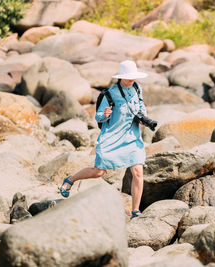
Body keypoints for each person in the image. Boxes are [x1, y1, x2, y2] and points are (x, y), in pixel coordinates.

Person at [59, 60, 148, 219]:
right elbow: (98, 117)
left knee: (138, 172)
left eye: (132, 77)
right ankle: (70, 180)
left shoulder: (137, 88)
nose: (130, 80)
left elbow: (141, 108)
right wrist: (104, 115)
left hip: (132, 137)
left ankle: (135, 211)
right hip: (112, 137)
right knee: (98, 171)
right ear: (120, 77)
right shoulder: (109, 94)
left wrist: (144, 118)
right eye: (127, 77)